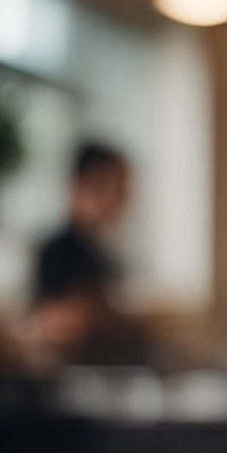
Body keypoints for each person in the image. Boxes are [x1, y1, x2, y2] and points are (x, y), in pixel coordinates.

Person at [27, 142, 145, 365]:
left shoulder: (99, 251)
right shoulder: (58, 250)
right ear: (87, 186)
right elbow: (54, 322)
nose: (125, 200)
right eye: (119, 188)